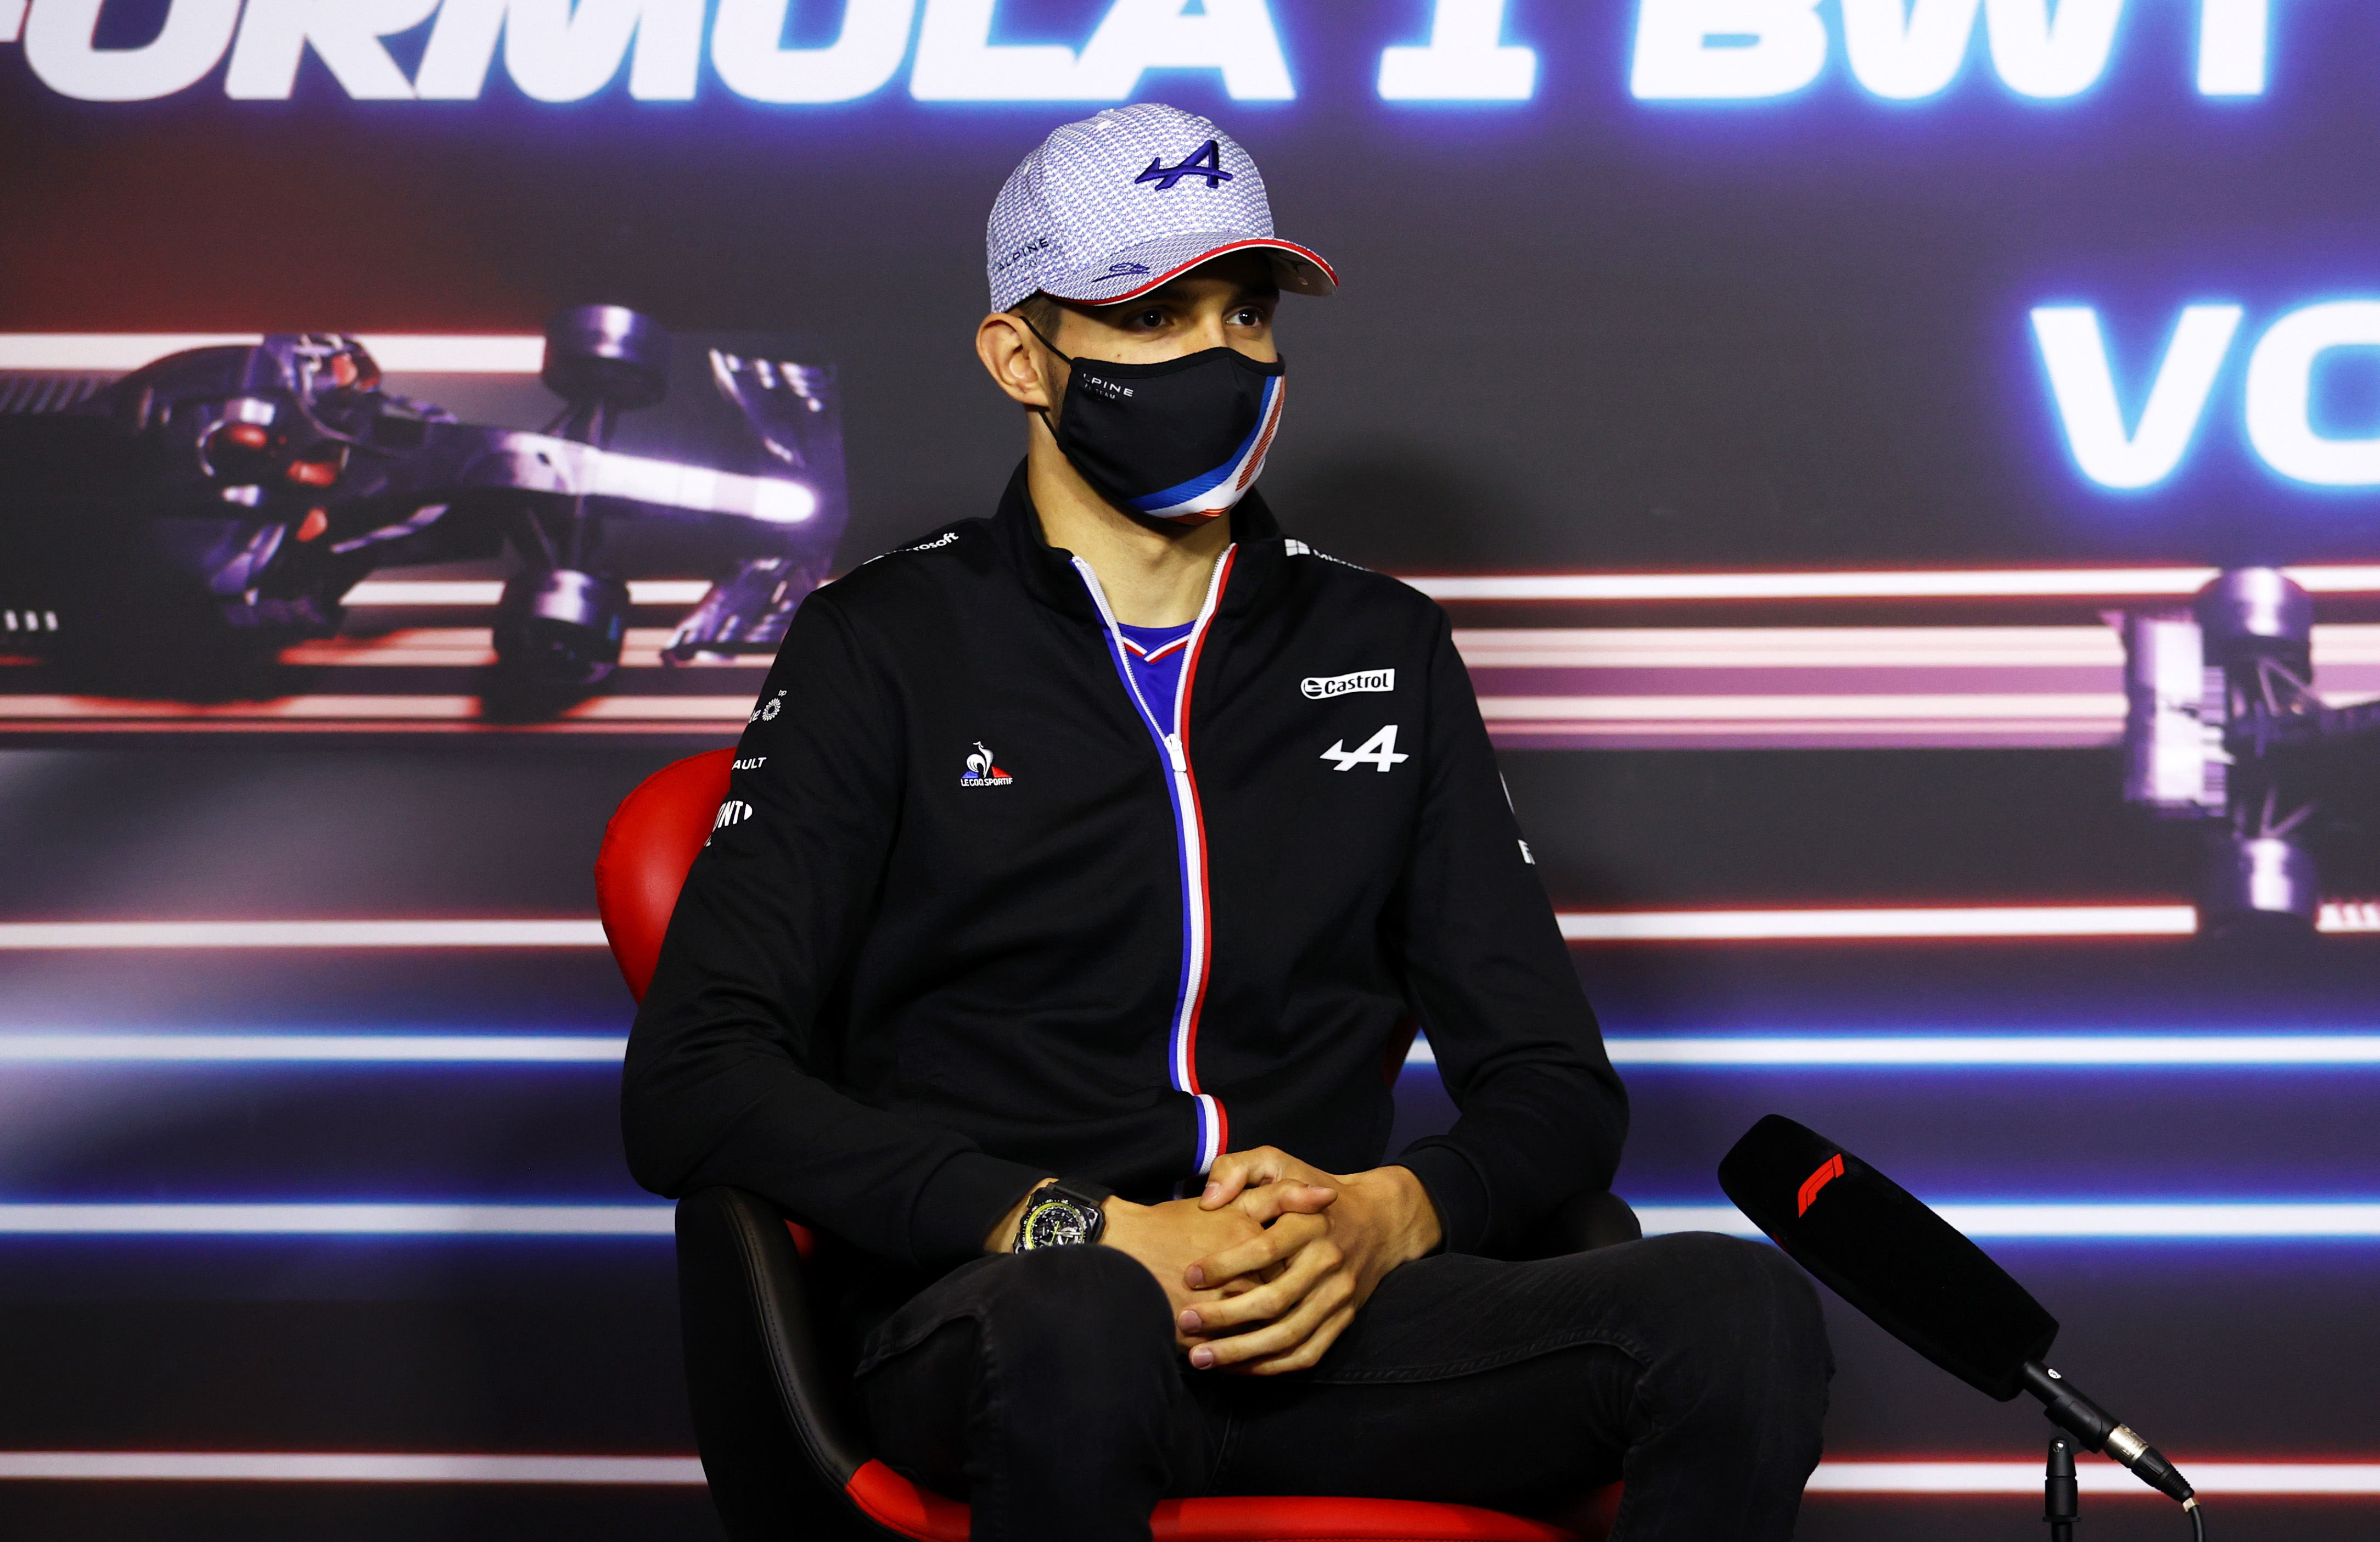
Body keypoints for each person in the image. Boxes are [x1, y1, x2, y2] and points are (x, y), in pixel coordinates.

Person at [622, 102, 1829, 1541]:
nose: (1219, 357)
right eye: (1152, 316)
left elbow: (1556, 1085)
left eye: (1245, 314)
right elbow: (694, 1077)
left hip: (1320, 1324)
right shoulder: (880, 643)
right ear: (1020, 357)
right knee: (1079, 1318)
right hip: (1009, 1312)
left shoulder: (1385, 644)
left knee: (1735, 1311)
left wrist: (1392, 1214)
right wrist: (1081, 1226)